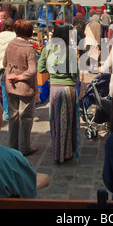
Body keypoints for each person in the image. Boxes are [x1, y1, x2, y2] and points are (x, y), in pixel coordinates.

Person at [38, 22, 79, 163]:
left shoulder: (47, 49)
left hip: (54, 89)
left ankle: (58, 151)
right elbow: (74, 74)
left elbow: (41, 68)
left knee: (56, 121)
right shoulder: (70, 51)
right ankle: (67, 151)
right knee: (68, 122)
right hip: (68, 89)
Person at [3, 19, 38, 156]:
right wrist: (20, 76)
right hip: (25, 87)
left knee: (13, 116)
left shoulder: (10, 44)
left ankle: (13, 146)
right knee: (26, 117)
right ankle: (24, 147)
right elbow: (32, 70)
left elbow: (5, 62)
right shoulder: (28, 48)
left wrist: (13, 74)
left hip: (10, 85)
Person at [0, 18, 16, 120]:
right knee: (14, 90)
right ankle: (14, 111)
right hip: (12, 66)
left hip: (0, 65)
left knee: (4, 89)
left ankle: (7, 113)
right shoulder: (15, 36)